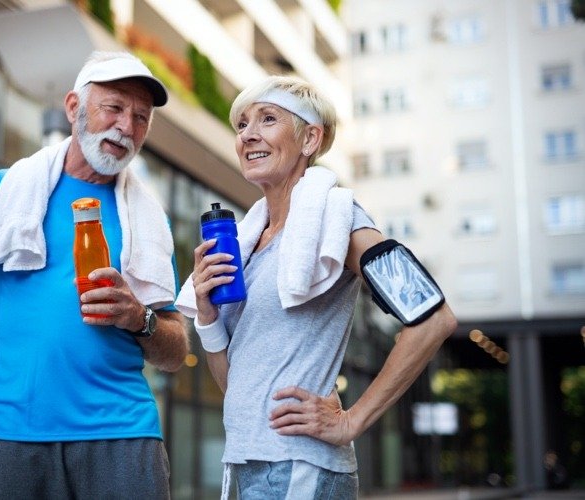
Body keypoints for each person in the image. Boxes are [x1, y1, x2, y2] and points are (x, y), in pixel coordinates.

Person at [0, 51, 189, 499]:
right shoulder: (2, 192)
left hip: (123, 436)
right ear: (73, 108)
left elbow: (174, 350)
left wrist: (140, 317)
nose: (127, 126)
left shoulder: (146, 220)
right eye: (114, 107)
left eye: (141, 117)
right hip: (8, 432)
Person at [176, 75, 458, 499]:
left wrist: (352, 421)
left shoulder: (336, 220)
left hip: (300, 468)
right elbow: (236, 389)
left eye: (267, 119)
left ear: (310, 138)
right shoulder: (248, 244)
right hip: (245, 464)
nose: (248, 134)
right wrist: (209, 314)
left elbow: (434, 319)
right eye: (242, 125)